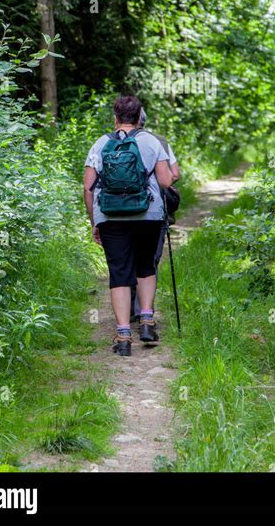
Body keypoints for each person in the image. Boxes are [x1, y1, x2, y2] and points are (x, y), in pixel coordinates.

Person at [83, 95, 173, 356]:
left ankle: (123, 335)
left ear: (115, 118)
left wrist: (94, 221)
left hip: (110, 216)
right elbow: (166, 181)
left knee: (119, 272)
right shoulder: (152, 141)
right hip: (148, 215)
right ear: (138, 117)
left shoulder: (100, 144)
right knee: (146, 266)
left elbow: (88, 187)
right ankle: (146, 321)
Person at [130, 108, 180, 321]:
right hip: (152, 211)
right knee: (149, 260)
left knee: (126, 257)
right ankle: (144, 311)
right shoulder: (158, 141)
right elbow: (174, 175)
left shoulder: (110, 141)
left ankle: (128, 308)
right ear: (143, 121)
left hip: (117, 209)